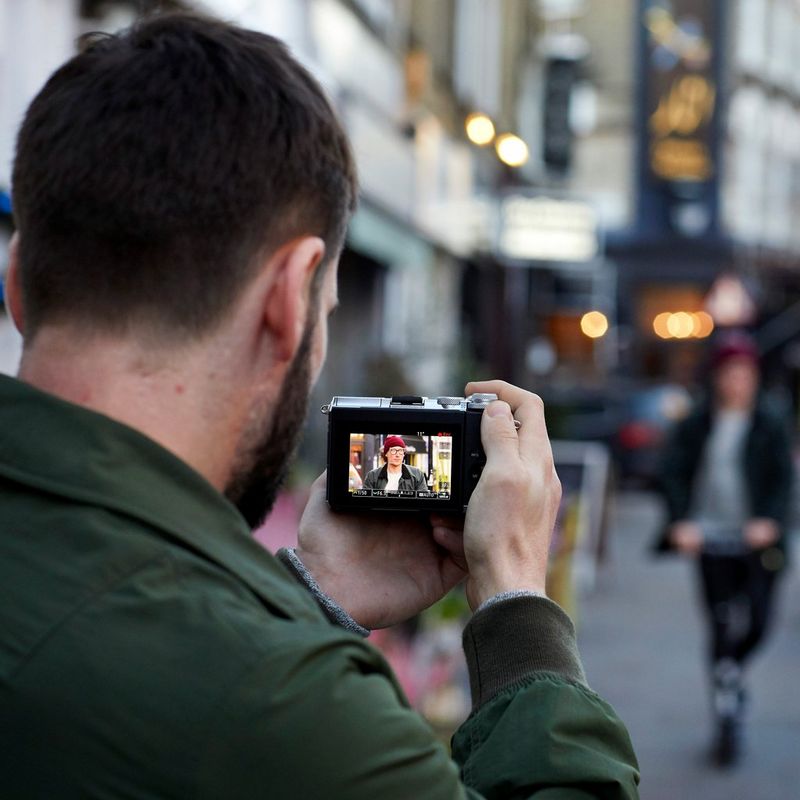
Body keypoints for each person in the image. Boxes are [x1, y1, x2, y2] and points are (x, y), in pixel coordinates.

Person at [0, 12, 639, 798]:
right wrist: (516, 600)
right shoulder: (283, 704)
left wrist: (314, 592)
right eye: (329, 307)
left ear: (19, 281)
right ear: (287, 298)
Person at [657, 331, 795, 767]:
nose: (737, 382)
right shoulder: (697, 421)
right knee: (719, 624)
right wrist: (680, 521)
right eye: (730, 373)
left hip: (758, 543)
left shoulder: (771, 420)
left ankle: (730, 673)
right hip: (711, 539)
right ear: (716, 377)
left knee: (759, 622)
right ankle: (726, 710)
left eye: (745, 374)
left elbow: (783, 480)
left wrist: (769, 520)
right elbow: (672, 471)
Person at [362, 434, 429, 492]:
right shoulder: (372, 476)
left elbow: (423, 498)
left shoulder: (417, 475)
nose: (397, 455)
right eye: (393, 450)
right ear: (386, 453)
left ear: (403, 454)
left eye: (400, 450)